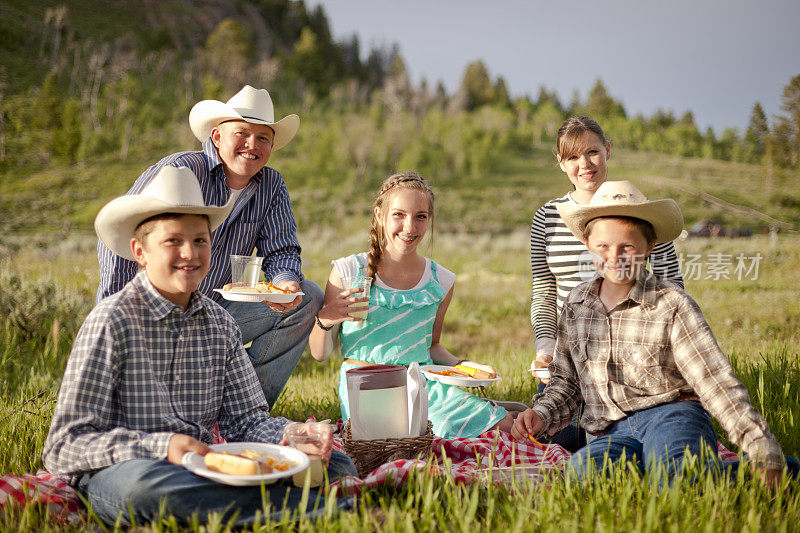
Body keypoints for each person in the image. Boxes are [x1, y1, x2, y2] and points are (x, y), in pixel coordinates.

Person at [43, 166, 355, 527]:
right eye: (173, 241)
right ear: (139, 252)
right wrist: (162, 448)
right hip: (125, 472)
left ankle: (260, 503)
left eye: (200, 240)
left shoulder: (219, 324)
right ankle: (313, 509)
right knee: (146, 489)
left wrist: (291, 435)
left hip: (205, 465)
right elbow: (64, 445)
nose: (189, 253)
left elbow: (247, 421)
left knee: (333, 460)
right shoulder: (111, 322)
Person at [512, 180, 791, 485]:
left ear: (649, 248)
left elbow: (715, 382)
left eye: (627, 247)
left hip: (672, 414)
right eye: (603, 246)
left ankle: (775, 472)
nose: (614, 257)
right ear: (587, 243)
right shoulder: (577, 305)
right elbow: (566, 384)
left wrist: (760, 445)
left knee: (678, 478)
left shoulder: (671, 304)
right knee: (584, 478)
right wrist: (540, 414)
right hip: (610, 429)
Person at [96, 85, 321, 407]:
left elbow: (281, 250)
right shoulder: (180, 171)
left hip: (216, 313)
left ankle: (244, 411)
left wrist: (285, 282)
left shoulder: (272, 185)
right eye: (241, 133)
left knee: (307, 296)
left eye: (263, 138)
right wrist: (114, 314)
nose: (252, 145)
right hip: (155, 313)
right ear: (216, 136)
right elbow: (123, 239)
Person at [307, 172, 519, 438]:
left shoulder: (440, 280)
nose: (410, 227)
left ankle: (497, 415)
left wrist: (464, 367)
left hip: (422, 385)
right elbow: (320, 353)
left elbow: (432, 346)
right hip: (367, 388)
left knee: (503, 428)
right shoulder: (349, 271)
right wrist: (326, 318)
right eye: (399, 215)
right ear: (379, 216)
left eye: (421, 217)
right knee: (419, 437)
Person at [528, 116, 684, 451]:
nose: (584, 164)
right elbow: (543, 291)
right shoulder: (547, 217)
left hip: (634, 354)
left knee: (616, 442)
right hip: (569, 357)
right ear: (560, 163)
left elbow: (675, 292)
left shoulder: (644, 214)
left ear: (608, 150)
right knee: (551, 439)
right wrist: (546, 348)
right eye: (572, 157)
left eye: (592, 152)